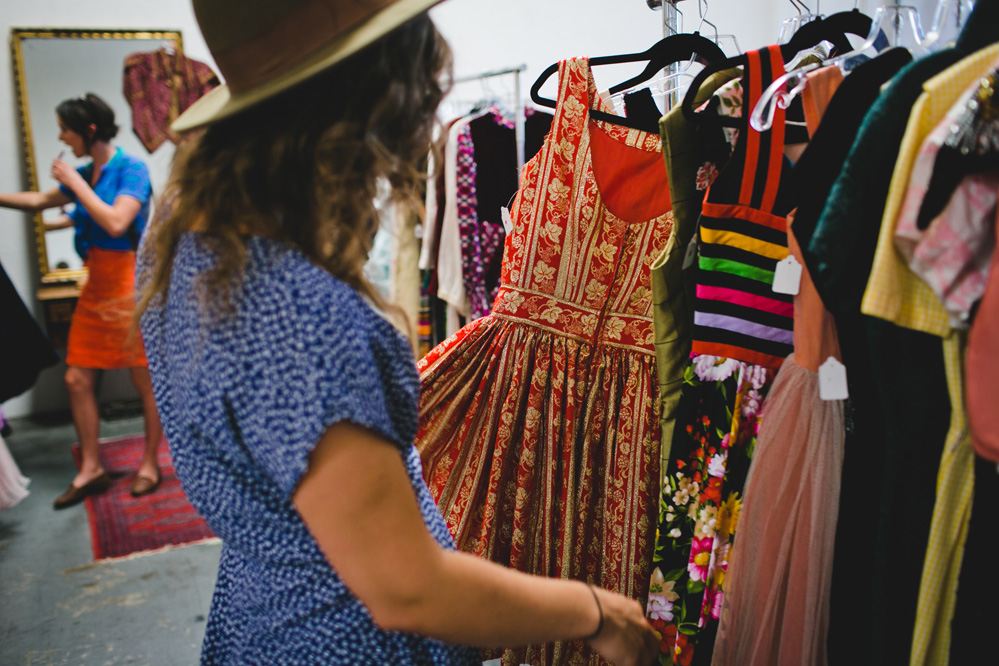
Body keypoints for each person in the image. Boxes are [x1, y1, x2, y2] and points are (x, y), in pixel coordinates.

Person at [135, 0, 660, 664]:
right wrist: (595, 612)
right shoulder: (305, 318)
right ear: (374, 106)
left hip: (257, 615)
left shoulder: (179, 242)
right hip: (346, 643)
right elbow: (406, 588)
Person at [0, 92, 164, 507]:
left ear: (89, 130)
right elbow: (40, 202)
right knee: (76, 379)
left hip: (131, 284)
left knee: (145, 380)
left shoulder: (132, 169)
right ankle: (91, 469)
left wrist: (74, 185)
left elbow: (116, 221)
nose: (61, 136)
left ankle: (149, 463)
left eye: (65, 129)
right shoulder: (87, 171)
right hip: (96, 286)